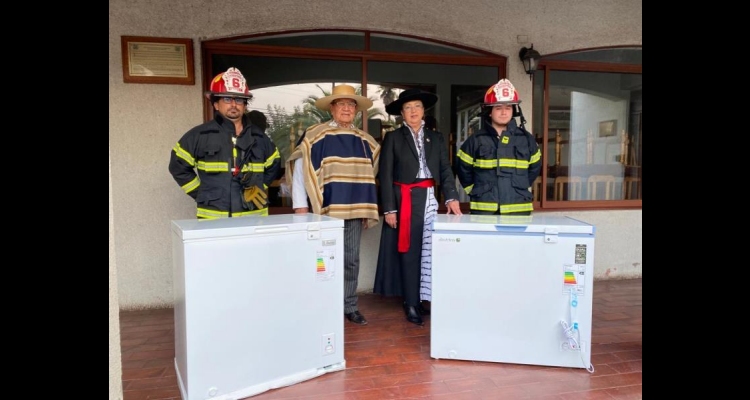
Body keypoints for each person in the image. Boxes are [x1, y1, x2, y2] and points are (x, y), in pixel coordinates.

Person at [286, 84, 380, 326]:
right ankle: (319, 304)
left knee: (351, 260)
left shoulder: (365, 141)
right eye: (342, 104)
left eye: (351, 105)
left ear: (357, 110)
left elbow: (369, 175)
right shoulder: (316, 135)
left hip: (353, 211)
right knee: (321, 260)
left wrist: (365, 207)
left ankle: (349, 305)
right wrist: (300, 206)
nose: (347, 108)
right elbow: (301, 171)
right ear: (331, 108)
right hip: (323, 212)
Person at [374, 88, 462, 326]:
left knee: (428, 251)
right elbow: (385, 174)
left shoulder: (436, 138)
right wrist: (389, 209)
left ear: (424, 111)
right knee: (410, 251)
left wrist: (452, 198)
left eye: (417, 107)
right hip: (404, 198)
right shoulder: (393, 137)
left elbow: (445, 169)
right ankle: (411, 302)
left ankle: (423, 298)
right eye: (408, 108)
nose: (413, 111)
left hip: (429, 198)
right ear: (402, 113)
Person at [169, 67, 281, 219]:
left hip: (253, 219)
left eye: (239, 100)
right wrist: (201, 194)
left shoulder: (260, 138)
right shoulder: (199, 135)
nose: (234, 104)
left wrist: (259, 186)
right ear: (216, 104)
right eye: (227, 99)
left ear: (245, 105)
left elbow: (274, 164)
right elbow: (178, 166)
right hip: (214, 220)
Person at [456, 79, 542, 215]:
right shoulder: (475, 140)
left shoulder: (526, 139)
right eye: (498, 108)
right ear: (489, 111)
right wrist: (476, 190)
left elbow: (534, 168)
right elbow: (462, 169)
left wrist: (518, 187)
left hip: (518, 208)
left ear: (513, 110)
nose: (504, 112)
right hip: (485, 209)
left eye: (508, 108)